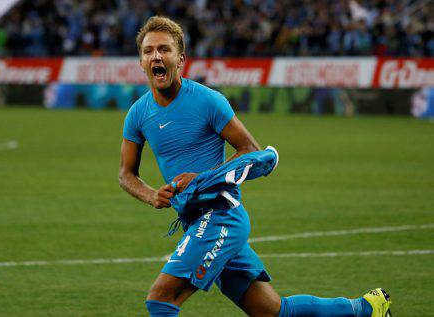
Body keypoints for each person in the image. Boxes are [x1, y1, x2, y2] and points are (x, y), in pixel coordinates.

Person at [119, 16, 392, 317]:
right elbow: (126, 173)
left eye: (164, 50)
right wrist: (151, 195)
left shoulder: (209, 101)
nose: (156, 56)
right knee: (272, 311)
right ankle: (367, 308)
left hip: (221, 216)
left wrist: (203, 178)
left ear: (180, 59)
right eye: (148, 51)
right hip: (194, 222)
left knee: (161, 300)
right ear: (141, 62)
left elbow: (251, 150)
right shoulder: (137, 114)